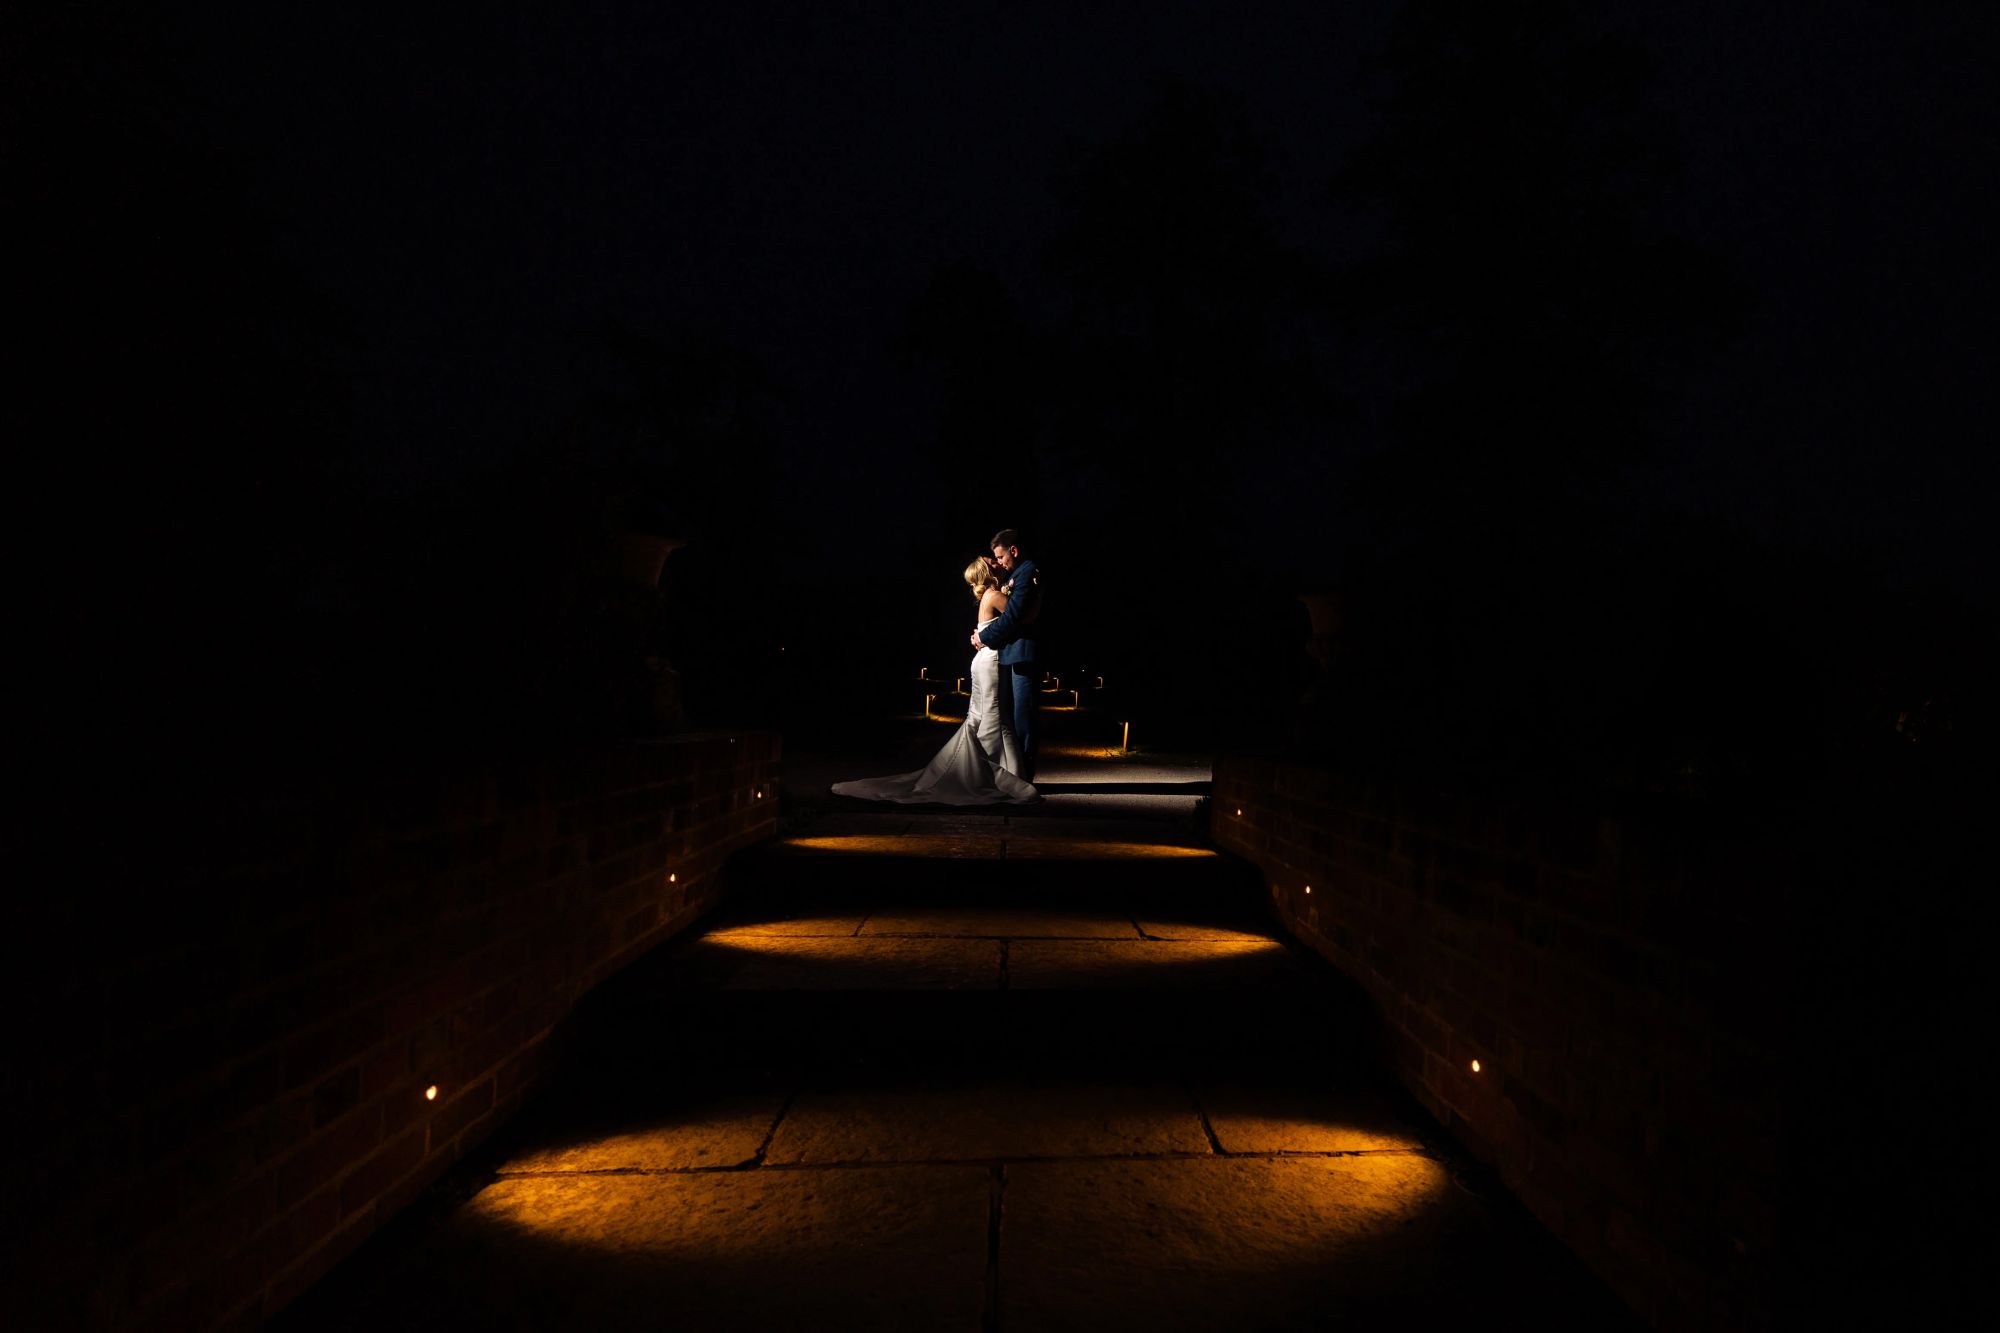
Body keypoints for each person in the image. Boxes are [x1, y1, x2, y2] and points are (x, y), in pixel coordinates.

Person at [831, 557, 1038, 805]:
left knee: (985, 715)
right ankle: (998, 774)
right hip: (990, 660)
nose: (996, 561)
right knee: (994, 714)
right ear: (987, 572)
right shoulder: (993, 595)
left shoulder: (990, 595)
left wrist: (982, 634)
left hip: (984, 659)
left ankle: (990, 770)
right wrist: (1037, 594)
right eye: (990, 560)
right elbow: (1020, 617)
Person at [970, 528, 1041, 781]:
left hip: (1023, 654)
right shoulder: (1012, 577)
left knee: (1024, 718)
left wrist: (984, 636)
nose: (999, 562)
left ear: (1014, 551)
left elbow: (1014, 617)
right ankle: (1013, 772)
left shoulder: (1027, 573)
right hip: (1010, 654)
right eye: (996, 560)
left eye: (1001, 557)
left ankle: (1024, 777)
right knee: (1010, 717)